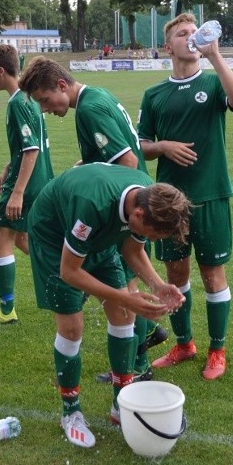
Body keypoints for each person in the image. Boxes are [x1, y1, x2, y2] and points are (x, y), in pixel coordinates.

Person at [19, 56, 168, 384]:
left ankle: (139, 364)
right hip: (134, 201)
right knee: (124, 292)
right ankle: (139, 357)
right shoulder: (98, 94)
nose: (46, 109)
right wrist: (87, 165)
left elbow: (127, 162)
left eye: (45, 100)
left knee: (126, 292)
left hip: (127, 208)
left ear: (61, 85)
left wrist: (112, 205)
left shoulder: (88, 109)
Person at [28, 163, 191, 447]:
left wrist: (158, 286)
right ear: (137, 215)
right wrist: (125, 296)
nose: (152, 240)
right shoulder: (92, 204)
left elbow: (132, 248)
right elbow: (70, 271)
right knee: (71, 328)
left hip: (99, 235)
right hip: (53, 239)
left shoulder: (145, 194)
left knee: (124, 316)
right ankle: (71, 411)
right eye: (153, 234)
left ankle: (121, 402)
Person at [137, 12, 233, 380]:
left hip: (212, 193)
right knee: (176, 271)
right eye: (182, 34)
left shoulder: (214, 82)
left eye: (194, 32)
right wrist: (164, 146)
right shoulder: (154, 94)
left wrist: (215, 55)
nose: (190, 37)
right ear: (168, 46)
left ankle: (217, 350)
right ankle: (184, 343)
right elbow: (140, 145)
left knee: (213, 273)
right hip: (167, 201)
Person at [0, 45, 53, 324]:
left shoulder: (19, 103)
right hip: (40, 178)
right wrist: (8, 166)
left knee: (2, 237)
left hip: (28, 184)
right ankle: (65, 273)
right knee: (22, 238)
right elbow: (28, 145)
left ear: (0, 71)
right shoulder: (31, 99)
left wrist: (17, 191)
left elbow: (31, 150)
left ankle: (7, 310)